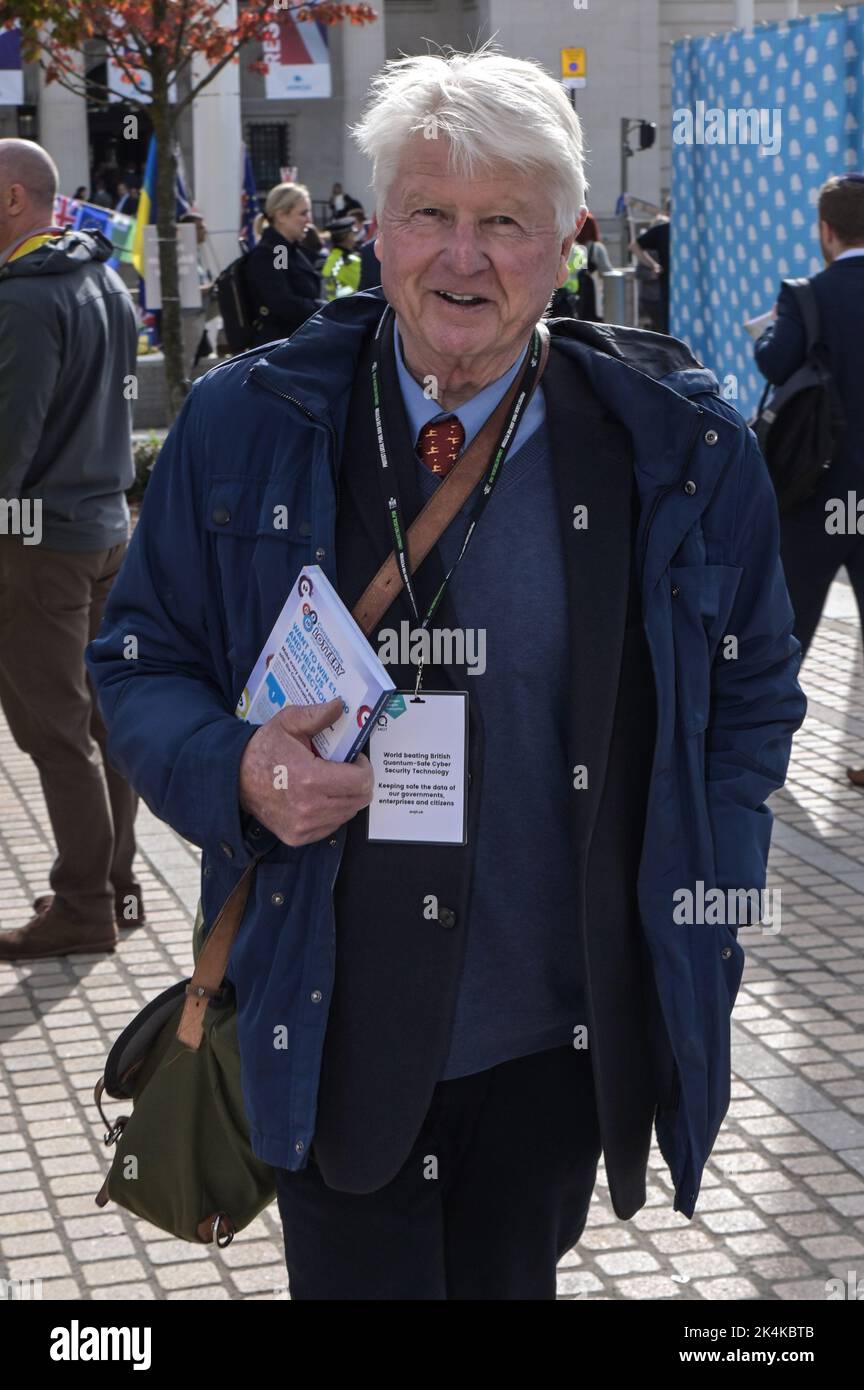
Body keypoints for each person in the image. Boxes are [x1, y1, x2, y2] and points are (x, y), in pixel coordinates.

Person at [87, 49, 805, 1300]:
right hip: (327, 1014)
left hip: (553, 1036)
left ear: (571, 238)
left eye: (505, 224)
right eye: (430, 214)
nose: (461, 259)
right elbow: (140, 657)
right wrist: (238, 768)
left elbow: (751, 698)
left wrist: (706, 907)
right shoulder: (248, 422)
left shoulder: (676, 451)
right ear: (378, 228)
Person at [0, 139, 142, 961]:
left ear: (16, 199)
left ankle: (85, 905)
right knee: (100, 723)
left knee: (56, 734)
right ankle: (115, 885)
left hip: (39, 543)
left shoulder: (23, 299)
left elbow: (9, 442)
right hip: (102, 529)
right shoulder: (103, 278)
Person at [754, 173, 864, 782]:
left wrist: (775, 324)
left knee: (787, 628)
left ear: (826, 231)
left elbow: (773, 361)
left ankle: (764, 757)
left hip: (816, 491)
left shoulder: (807, 295)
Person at [242, 182, 325, 345]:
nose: (308, 221)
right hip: (281, 348)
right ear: (281, 216)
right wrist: (324, 306)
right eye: (303, 214)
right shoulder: (276, 251)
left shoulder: (285, 249)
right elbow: (284, 303)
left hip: (293, 344)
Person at [630, 211, 670, 332]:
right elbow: (639, 272)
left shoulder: (650, 249)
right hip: (653, 297)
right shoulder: (650, 250)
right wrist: (652, 272)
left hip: (655, 297)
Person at [321, 216, 361, 300]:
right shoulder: (346, 261)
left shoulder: (332, 259)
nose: (355, 238)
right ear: (346, 236)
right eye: (353, 233)